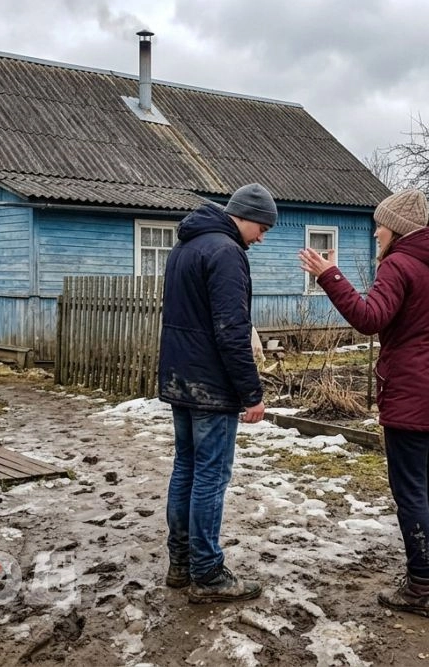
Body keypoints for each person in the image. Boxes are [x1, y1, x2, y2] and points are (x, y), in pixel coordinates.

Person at [298, 188, 429, 617]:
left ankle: (419, 589)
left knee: (411, 492)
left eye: (379, 225)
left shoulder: (399, 264)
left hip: (411, 396)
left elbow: (369, 319)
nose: (376, 233)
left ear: (396, 228)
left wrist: (330, 276)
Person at [158, 183, 275, 603]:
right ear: (241, 216)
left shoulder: (185, 248)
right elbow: (232, 331)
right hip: (211, 385)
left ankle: (181, 563)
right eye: (261, 228)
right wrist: (251, 392)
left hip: (180, 378)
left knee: (186, 468)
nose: (261, 237)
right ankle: (207, 574)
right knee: (210, 475)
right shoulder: (226, 253)